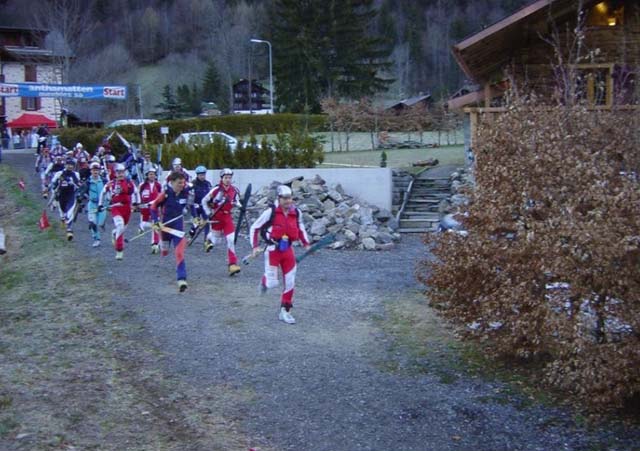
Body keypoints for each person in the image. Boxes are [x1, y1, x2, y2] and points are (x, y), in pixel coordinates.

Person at [249, 185, 310, 324]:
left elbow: (300, 228)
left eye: (290, 198)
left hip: (288, 250)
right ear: (279, 198)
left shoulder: (296, 212)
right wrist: (255, 247)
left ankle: (285, 311)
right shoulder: (270, 212)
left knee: (290, 281)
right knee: (272, 284)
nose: (288, 201)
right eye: (285, 198)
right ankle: (265, 281)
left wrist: (306, 243)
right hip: (272, 250)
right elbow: (255, 227)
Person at [150, 171, 190, 292]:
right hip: (165, 226)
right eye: (179, 183)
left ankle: (181, 279)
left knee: (179, 252)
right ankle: (162, 247)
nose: (182, 185)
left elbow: (192, 206)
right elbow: (153, 207)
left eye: (183, 183)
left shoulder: (185, 193)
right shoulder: (166, 194)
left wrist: (195, 217)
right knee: (165, 251)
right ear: (172, 182)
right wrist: (156, 221)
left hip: (178, 226)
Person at [202, 168, 242, 276]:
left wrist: (240, 206)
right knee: (216, 241)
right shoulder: (215, 190)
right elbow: (204, 201)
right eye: (226, 178)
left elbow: (237, 202)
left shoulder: (234, 190)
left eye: (229, 178)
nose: (228, 180)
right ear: (222, 178)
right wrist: (208, 212)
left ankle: (232, 264)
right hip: (216, 217)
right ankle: (208, 239)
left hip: (227, 217)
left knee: (231, 240)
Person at [98, 163, 140, 260]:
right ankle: (119, 250)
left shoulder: (129, 182)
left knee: (122, 228)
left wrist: (137, 203)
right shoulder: (111, 183)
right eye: (118, 172)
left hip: (127, 208)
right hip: (116, 207)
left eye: (122, 172)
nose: (121, 174)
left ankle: (114, 233)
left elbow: (136, 192)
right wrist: (100, 204)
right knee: (120, 226)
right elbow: (102, 193)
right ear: (115, 173)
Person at [50, 158, 82, 241]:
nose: (70, 166)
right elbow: (54, 184)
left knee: (70, 212)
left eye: (72, 165)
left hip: (71, 195)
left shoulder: (76, 174)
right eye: (68, 165)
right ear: (65, 165)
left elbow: (79, 185)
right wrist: (55, 190)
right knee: (63, 212)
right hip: (61, 196)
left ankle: (69, 230)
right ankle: (63, 219)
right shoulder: (59, 173)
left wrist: (79, 192)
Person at [81, 162, 107, 247]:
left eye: (97, 170)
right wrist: (80, 196)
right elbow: (82, 191)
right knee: (92, 223)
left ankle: (102, 224)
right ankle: (96, 238)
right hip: (92, 204)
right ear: (91, 171)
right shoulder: (88, 181)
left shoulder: (104, 180)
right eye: (93, 170)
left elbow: (110, 191)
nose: (95, 172)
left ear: (99, 171)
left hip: (102, 205)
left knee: (100, 223)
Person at [138, 167, 163, 254]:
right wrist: (138, 203)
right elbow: (138, 195)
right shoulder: (142, 185)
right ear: (147, 175)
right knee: (145, 224)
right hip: (144, 208)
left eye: (153, 174)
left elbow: (160, 196)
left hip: (154, 208)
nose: (152, 176)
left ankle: (155, 243)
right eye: (150, 174)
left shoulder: (158, 185)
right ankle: (142, 225)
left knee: (156, 224)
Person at [188, 165, 212, 244]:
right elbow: (189, 198)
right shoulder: (192, 184)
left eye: (204, 175)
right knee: (197, 222)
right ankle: (191, 233)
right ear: (197, 175)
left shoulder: (208, 184)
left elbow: (210, 195)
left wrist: (211, 203)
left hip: (204, 206)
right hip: (195, 206)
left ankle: (206, 240)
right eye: (201, 175)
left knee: (206, 222)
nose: (202, 176)